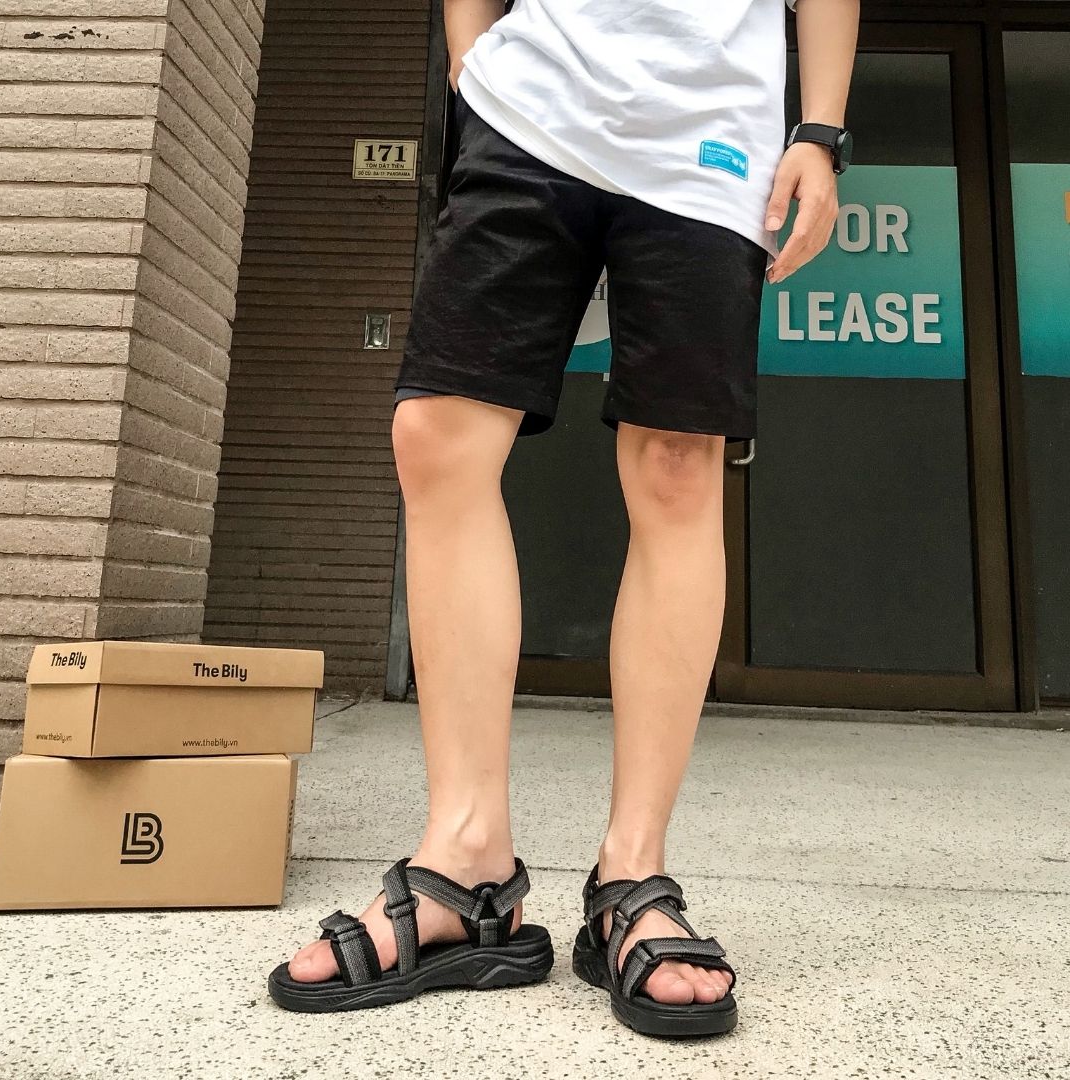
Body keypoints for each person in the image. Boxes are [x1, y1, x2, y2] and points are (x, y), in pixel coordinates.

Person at [269, 0, 858, 1038]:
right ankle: (466, 862)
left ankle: (632, 872)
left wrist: (819, 128)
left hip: (710, 133)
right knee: (438, 433)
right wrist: (467, 57)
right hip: (530, 102)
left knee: (678, 465)